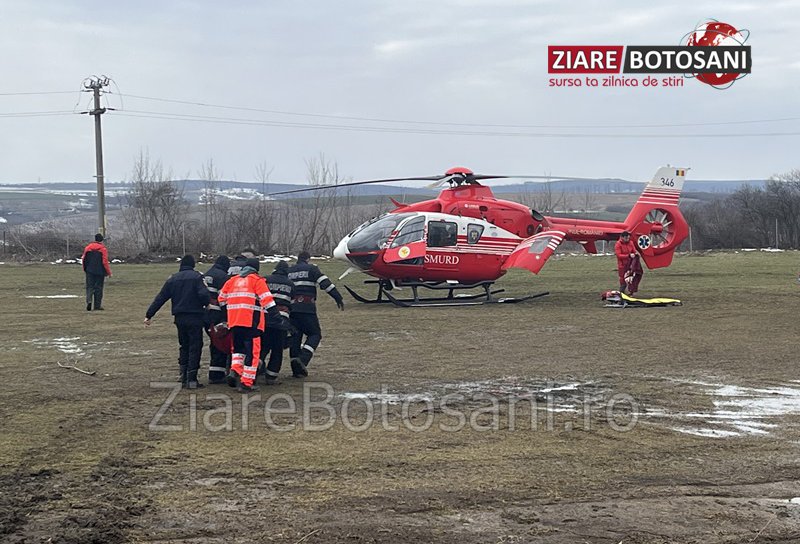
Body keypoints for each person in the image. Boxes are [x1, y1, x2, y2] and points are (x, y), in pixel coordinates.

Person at [218, 258, 285, 393]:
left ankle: (235, 370)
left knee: (238, 350)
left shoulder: (232, 281)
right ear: (257, 269)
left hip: (234, 321)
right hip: (251, 322)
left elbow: (221, 298)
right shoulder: (257, 280)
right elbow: (267, 300)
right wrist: (277, 317)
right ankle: (246, 383)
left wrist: (229, 313)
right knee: (253, 353)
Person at [144, 255, 210, 389]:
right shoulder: (197, 277)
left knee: (184, 345)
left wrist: (149, 315)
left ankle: (183, 374)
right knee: (195, 346)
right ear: (193, 265)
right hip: (195, 317)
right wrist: (206, 303)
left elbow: (160, 298)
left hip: (179, 318)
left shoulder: (173, 279)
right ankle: (192, 379)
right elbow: (203, 295)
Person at [287, 251, 344, 378]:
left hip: (291, 309)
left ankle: (296, 370)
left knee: (295, 337)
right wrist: (337, 297)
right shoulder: (312, 269)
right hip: (307, 308)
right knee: (315, 334)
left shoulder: (289, 271)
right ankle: (303, 359)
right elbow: (325, 284)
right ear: (308, 259)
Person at [261, 260, 295, 385]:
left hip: (264, 318)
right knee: (277, 349)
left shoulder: (265, 280)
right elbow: (292, 303)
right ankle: (271, 377)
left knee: (263, 346)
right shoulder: (290, 284)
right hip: (281, 320)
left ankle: (256, 366)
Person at [202, 255, 231, 384]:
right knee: (220, 343)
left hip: (205, 314)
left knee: (214, 342)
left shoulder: (206, 274)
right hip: (217, 314)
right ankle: (217, 375)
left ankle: (215, 372)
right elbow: (223, 299)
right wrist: (227, 317)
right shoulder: (223, 277)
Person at [82, 233, 112, 311]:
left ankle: (89, 301)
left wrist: (85, 269)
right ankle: (97, 306)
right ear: (101, 240)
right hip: (100, 272)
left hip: (89, 271)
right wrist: (108, 272)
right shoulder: (103, 249)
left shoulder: (88, 248)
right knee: (98, 288)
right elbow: (105, 261)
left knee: (89, 287)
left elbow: (84, 259)